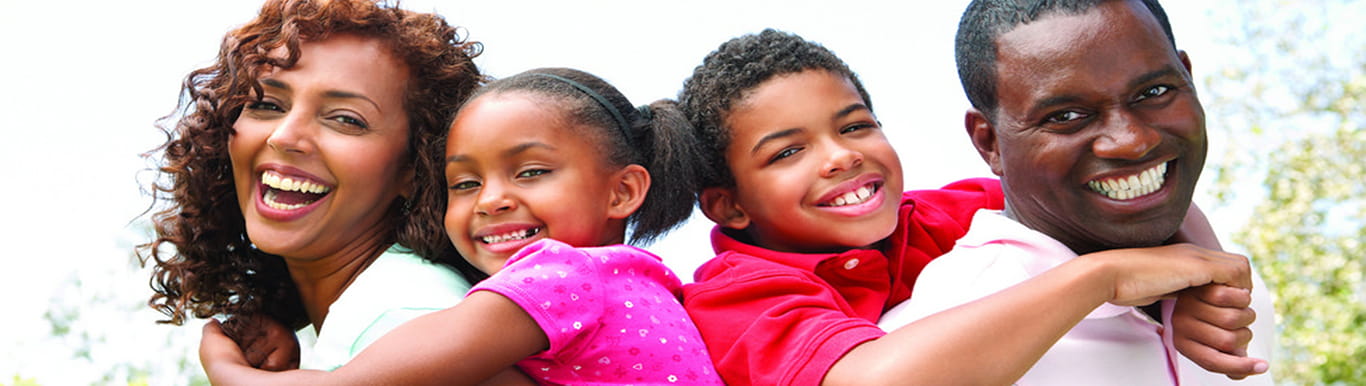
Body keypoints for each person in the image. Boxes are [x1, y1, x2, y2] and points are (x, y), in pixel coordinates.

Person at [677, 28, 1258, 385]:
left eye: (855, 126)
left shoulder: (944, 215)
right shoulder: (736, 297)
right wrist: (1103, 277)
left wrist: (1202, 283)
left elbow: (1122, 191)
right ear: (728, 207)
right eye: (788, 152)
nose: (841, 157)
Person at [198, 68, 725, 384]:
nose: (491, 200)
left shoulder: (561, 277)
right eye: (465, 183)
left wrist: (225, 368)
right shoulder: (643, 282)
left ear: (623, 191)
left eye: (532, 172)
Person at [877, 0, 1276, 384]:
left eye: (1153, 92)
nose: (1132, 141)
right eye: (1066, 116)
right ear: (989, 143)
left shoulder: (1235, 301)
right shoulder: (940, 332)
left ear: (1187, 77)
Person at [137, 0, 487, 372]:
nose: (284, 137)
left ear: (417, 166)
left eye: (346, 119)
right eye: (267, 105)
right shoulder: (372, 310)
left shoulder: (402, 313)